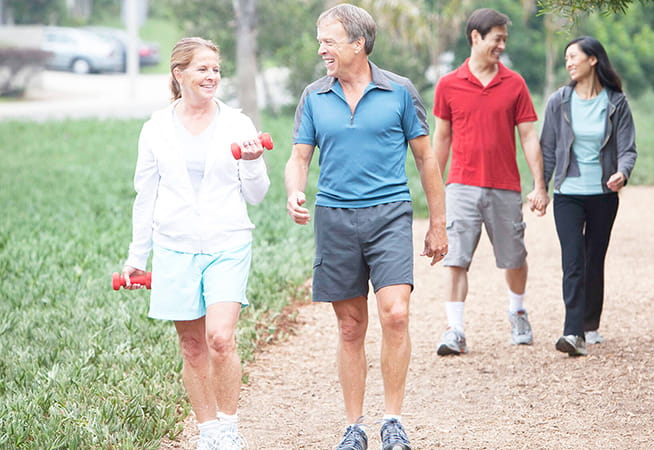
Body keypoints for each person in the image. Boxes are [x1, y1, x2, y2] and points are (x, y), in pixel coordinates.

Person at [284, 4, 447, 450]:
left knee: (396, 313)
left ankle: (392, 420)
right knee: (351, 326)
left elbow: (426, 158)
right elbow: (299, 157)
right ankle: (353, 427)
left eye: (329, 41)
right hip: (334, 217)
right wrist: (294, 191)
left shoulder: (399, 91)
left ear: (358, 44)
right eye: (320, 41)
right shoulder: (314, 96)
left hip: (389, 213)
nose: (321, 49)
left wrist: (438, 223)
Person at [120, 37, 270, 449]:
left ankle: (229, 427)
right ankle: (208, 432)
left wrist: (255, 163)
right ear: (179, 73)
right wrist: (137, 256)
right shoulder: (155, 128)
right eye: (202, 68)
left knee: (220, 338)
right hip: (174, 246)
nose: (212, 76)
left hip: (228, 242)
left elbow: (256, 195)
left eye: (216, 69)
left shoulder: (237, 123)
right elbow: (145, 196)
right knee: (191, 345)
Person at [432, 8, 549, 356]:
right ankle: (455, 330)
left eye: (504, 39)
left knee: (514, 258)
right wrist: (435, 188)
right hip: (461, 185)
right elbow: (441, 139)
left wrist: (539, 184)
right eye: (497, 38)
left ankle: (518, 312)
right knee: (455, 259)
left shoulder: (514, 84)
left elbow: (528, 136)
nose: (501, 45)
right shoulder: (448, 84)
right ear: (475, 37)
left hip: (504, 186)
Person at [540, 36, 637, 357]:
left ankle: (590, 323)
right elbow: (548, 149)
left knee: (594, 260)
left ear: (593, 60)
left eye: (574, 57)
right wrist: (541, 186)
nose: (568, 63)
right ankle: (573, 332)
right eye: (566, 58)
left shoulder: (616, 102)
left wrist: (622, 172)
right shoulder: (559, 101)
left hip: (603, 194)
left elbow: (627, 148)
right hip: (568, 193)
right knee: (573, 261)